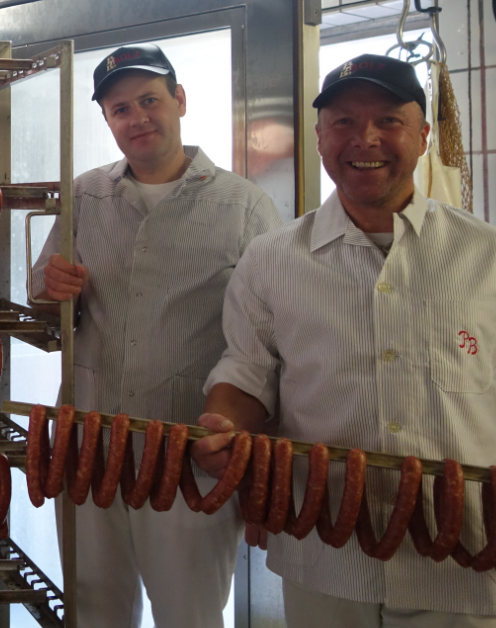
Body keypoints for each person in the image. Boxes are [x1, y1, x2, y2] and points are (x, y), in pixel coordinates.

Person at [194, 54, 496, 626]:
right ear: (318, 137)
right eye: (343, 122)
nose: (366, 139)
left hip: (462, 562)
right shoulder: (273, 260)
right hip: (324, 551)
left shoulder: (486, 256)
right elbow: (247, 371)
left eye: (388, 120)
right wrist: (226, 427)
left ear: (424, 134)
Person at [29, 43, 283, 628]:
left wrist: (263, 465)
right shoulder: (84, 196)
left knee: (187, 615)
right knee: (95, 611)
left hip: (190, 456)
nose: (137, 118)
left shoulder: (245, 207)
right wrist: (48, 285)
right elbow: (45, 299)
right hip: (91, 448)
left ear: (180, 101)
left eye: (149, 100)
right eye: (120, 109)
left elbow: (275, 337)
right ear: (107, 120)